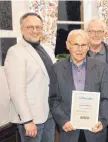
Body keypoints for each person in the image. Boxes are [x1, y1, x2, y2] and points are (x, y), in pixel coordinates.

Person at [49, 29, 108, 142]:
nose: (80, 49)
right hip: (69, 130)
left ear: (88, 46)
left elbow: (107, 99)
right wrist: (63, 121)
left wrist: (102, 121)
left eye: (83, 45)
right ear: (68, 45)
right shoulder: (56, 69)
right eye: (76, 45)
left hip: (95, 130)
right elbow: (54, 99)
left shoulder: (101, 67)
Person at [5, 12, 56, 142]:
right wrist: (27, 120)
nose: (35, 31)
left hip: (49, 114)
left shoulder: (47, 49)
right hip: (32, 119)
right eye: (30, 27)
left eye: (38, 27)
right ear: (22, 28)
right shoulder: (15, 52)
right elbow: (17, 91)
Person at [86, 19, 108, 142]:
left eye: (100, 31)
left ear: (105, 34)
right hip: (85, 105)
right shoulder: (79, 52)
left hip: (107, 105)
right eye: (92, 31)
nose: (96, 34)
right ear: (87, 33)